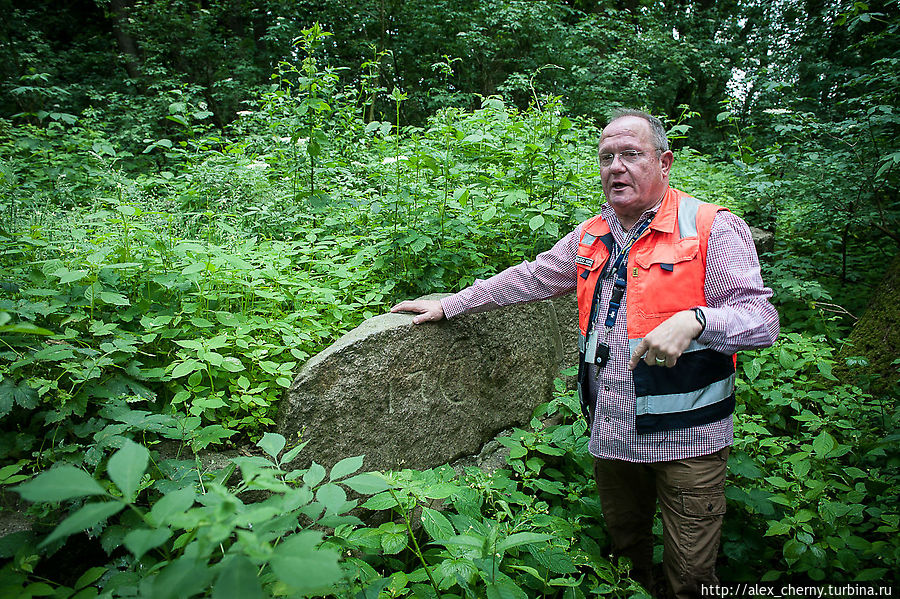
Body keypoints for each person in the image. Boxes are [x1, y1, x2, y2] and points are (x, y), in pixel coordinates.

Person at [391, 108, 779, 598]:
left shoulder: (711, 228)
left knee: (691, 579)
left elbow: (761, 321)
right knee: (623, 558)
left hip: (689, 441)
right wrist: (452, 304)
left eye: (631, 154)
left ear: (665, 162)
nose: (616, 167)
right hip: (612, 434)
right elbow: (531, 277)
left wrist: (697, 319)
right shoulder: (592, 234)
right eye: (607, 157)